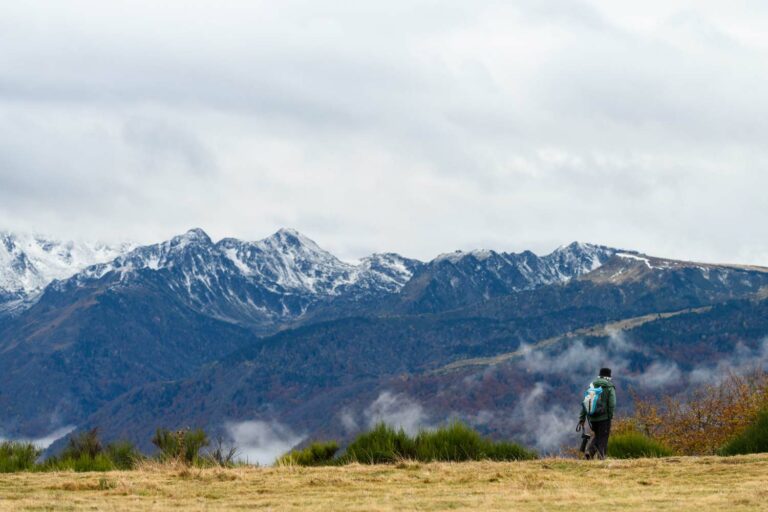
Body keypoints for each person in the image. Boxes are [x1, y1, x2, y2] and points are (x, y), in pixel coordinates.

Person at [578, 367, 616, 460]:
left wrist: (582, 418)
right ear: (609, 377)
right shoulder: (609, 387)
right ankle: (601, 458)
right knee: (603, 438)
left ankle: (589, 454)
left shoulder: (592, 386)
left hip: (592, 418)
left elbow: (585, 403)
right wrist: (610, 416)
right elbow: (612, 403)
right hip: (604, 418)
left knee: (598, 436)